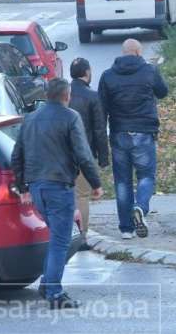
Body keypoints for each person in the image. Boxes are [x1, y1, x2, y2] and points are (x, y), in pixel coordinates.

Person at [11, 78, 103, 309]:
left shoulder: (30, 119)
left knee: (56, 239)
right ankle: (54, 292)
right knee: (61, 241)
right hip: (59, 186)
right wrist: (95, 183)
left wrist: (23, 187)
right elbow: (83, 154)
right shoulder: (70, 117)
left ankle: (47, 284)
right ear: (66, 95)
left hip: (36, 188)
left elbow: (16, 156)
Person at [98, 39, 169, 239]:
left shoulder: (108, 76)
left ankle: (126, 229)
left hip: (119, 133)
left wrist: (101, 139)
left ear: (123, 53)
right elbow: (163, 92)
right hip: (144, 133)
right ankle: (140, 206)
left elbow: (101, 109)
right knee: (146, 176)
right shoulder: (149, 71)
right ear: (138, 52)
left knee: (122, 181)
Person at [68, 58, 110, 249]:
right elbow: (100, 129)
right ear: (87, 72)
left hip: (60, 154)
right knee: (82, 196)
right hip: (83, 153)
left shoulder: (61, 93)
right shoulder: (92, 97)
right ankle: (81, 237)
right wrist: (103, 158)